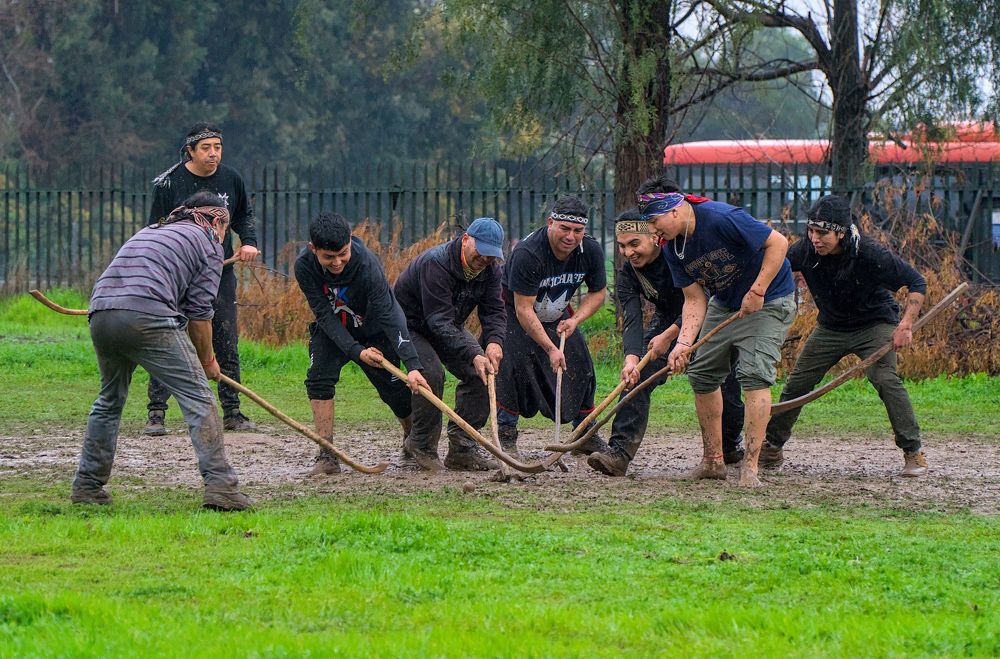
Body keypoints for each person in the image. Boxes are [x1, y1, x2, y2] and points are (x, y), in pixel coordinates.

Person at [72, 191, 251, 510]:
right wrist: (208, 361)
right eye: (226, 229)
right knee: (199, 397)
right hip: (146, 314)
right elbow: (200, 314)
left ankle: (87, 486)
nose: (225, 237)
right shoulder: (208, 240)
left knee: (109, 400)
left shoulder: (150, 231)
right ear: (216, 220)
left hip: (101, 311)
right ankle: (222, 487)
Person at [640, 174, 796, 488]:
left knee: (753, 375)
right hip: (725, 304)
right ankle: (713, 461)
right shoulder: (673, 249)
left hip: (769, 300)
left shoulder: (721, 218)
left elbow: (778, 243)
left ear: (674, 209)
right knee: (702, 375)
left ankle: (750, 468)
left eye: (655, 222)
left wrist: (758, 290)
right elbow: (694, 299)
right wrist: (683, 343)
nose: (653, 231)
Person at [762, 194, 928, 476]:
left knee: (886, 381)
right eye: (811, 231)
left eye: (823, 233)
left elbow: (916, 282)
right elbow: (774, 266)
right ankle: (772, 447)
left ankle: (913, 451)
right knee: (797, 384)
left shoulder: (870, 253)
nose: (815, 238)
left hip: (875, 325)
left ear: (840, 232)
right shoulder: (805, 251)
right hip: (831, 327)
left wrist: (906, 325)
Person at [587, 208, 746, 476]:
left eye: (634, 244)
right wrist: (631, 359)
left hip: (708, 321)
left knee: (724, 385)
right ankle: (619, 453)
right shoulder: (628, 274)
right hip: (666, 323)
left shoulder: (679, 255)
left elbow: (702, 300)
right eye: (623, 246)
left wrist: (672, 336)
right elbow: (633, 320)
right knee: (636, 378)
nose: (628, 252)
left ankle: (728, 445)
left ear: (653, 236)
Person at [144, 122, 259, 436]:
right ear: (189, 151)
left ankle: (232, 412)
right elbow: (155, 227)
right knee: (169, 335)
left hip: (218, 272)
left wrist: (248, 241)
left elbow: (244, 216)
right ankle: (156, 413)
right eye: (206, 148)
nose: (213, 154)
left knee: (225, 337)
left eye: (217, 147)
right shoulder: (168, 183)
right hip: (177, 274)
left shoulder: (232, 178)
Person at [295, 212, 429, 475]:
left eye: (342, 254)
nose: (337, 263)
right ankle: (327, 454)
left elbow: (390, 314)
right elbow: (323, 313)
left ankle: (413, 442)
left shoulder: (366, 265)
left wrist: (412, 364)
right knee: (318, 378)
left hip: (373, 328)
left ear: (351, 240)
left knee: (395, 391)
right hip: (333, 328)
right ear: (314, 249)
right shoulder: (304, 266)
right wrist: (356, 352)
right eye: (328, 257)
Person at [494, 196, 609, 457]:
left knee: (580, 362)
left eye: (577, 231)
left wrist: (575, 320)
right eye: (564, 229)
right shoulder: (528, 253)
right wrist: (550, 349)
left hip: (558, 315)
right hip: (513, 313)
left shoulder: (590, 251)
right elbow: (523, 309)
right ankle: (506, 434)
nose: (570, 236)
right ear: (550, 223)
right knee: (511, 365)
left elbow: (598, 293)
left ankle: (584, 433)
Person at [393, 218, 507, 471]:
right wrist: (473, 352)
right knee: (431, 374)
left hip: (447, 325)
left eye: (491, 255)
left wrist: (494, 343)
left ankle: (462, 449)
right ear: (466, 239)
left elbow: (495, 311)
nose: (485, 259)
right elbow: (438, 321)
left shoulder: (491, 271)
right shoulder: (436, 264)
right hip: (410, 325)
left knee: (483, 373)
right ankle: (420, 446)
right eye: (481, 252)